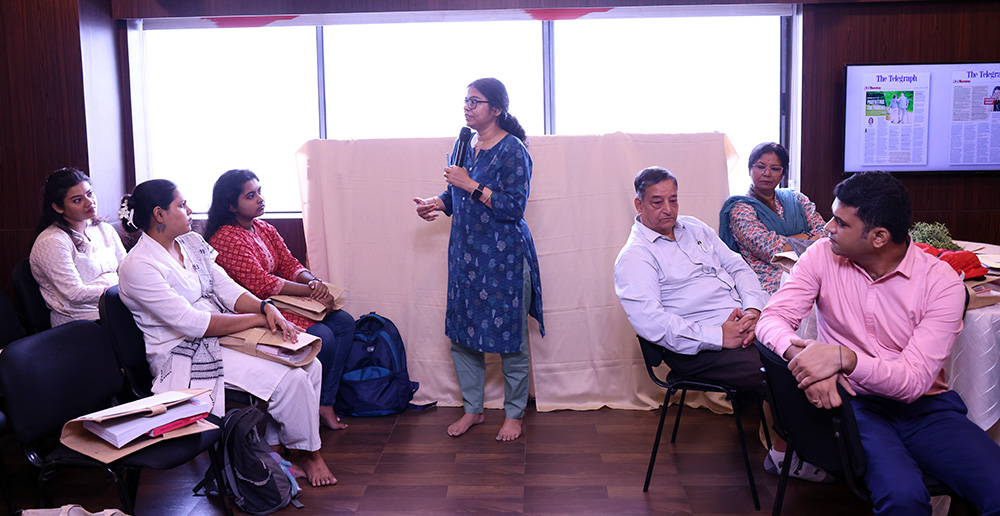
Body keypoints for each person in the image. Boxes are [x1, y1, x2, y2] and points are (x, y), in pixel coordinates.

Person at [757, 171, 1000, 515]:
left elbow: (913, 382)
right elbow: (771, 319)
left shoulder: (941, 283)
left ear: (879, 237)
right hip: (856, 404)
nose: (827, 227)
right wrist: (810, 359)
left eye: (841, 223)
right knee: (903, 497)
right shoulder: (821, 256)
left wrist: (846, 359)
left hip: (925, 409)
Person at [614, 166, 831, 482]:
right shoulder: (635, 256)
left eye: (673, 200)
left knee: (807, 349)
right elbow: (653, 324)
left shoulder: (695, 228)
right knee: (784, 369)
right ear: (639, 204)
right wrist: (718, 336)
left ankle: (829, 447)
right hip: (695, 347)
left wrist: (753, 310)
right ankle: (785, 455)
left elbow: (739, 268)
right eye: (657, 202)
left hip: (741, 324)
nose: (668, 209)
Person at [116, 179, 336, 487]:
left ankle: (274, 451)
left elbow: (226, 288)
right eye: (181, 205)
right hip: (183, 354)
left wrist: (265, 308)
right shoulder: (138, 266)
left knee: (310, 364)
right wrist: (257, 320)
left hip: (219, 336)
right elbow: (192, 323)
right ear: (159, 214)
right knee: (292, 379)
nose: (190, 210)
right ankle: (310, 455)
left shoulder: (190, 242)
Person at [412, 77, 544, 442]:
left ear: (496, 109)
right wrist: (436, 203)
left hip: (503, 259)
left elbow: (513, 208)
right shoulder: (464, 143)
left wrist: (469, 183)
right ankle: (473, 409)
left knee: (510, 340)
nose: (467, 107)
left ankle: (514, 414)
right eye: (466, 100)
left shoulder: (513, 149)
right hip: (465, 258)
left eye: (475, 101)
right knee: (462, 336)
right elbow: (455, 194)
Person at [205, 169, 355, 431]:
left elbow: (289, 264)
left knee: (344, 322)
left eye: (259, 192)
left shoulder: (263, 227)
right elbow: (261, 284)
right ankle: (305, 411)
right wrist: (310, 291)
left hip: (280, 301)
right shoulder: (226, 237)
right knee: (324, 336)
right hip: (254, 311)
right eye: (250, 196)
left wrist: (313, 282)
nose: (260, 199)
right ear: (231, 206)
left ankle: (325, 403)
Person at [718, 143, 827, 294]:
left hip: (809, 267)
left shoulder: (797, 199)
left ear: (783, 173)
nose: (767, 173)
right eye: (760, 167)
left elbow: (825, 233)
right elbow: (771, 248)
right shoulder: (741, 208)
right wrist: (808, 236)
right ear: (750, 169)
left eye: (775, 169)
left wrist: (796, 241)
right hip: (768, 280)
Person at [29, 167, 126, 326]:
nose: (89, 202)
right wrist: (123, 290)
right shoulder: (52, 241)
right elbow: (74, 294)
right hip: (81, 322)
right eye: (77, 200)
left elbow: (126, 268)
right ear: (58, 207)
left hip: (117, 307)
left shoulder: (104, 229)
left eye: (90, 193)